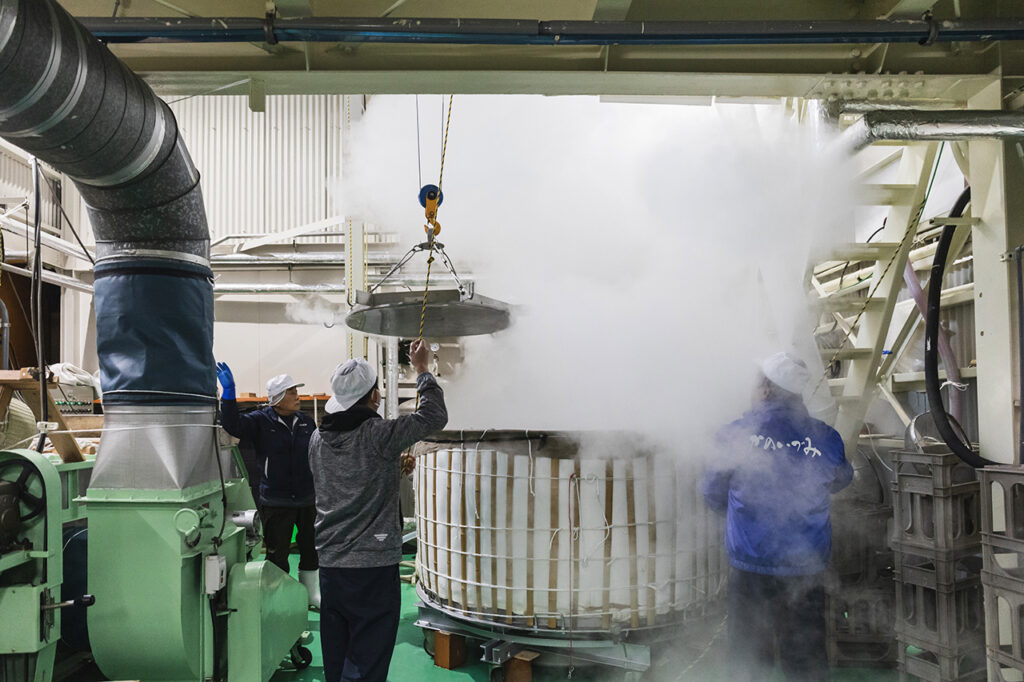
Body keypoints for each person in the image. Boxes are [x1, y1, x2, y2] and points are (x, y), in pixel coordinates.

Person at [702, 352, 853, 682]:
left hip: (750, 568)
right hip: (806, 569)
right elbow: (841, 480)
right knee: (806, 661)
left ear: (767, 390)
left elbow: (712, 494)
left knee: (747, 661)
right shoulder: (826, 438)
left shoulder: (734, 436)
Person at [308, 339, 447, 682]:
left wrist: (390, 465)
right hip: (371, 565)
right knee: (368, 657)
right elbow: (434, 416)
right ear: (373, 396)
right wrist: (422, 370)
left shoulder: (317, 438)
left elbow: (345, 478)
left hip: (331, 562)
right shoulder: (377, 435)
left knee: (338, 653)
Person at [217, 363, 321, 607]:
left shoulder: (307, 422)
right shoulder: (260, 421)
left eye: (296, 392)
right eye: (292, 392)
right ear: (278, 399)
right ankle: (282, 598)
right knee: (278, 552)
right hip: (276, 500)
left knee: (311, 548)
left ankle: (310, 594)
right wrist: (229, 394)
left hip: (307, 498)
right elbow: (232, 426)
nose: (298, 397)